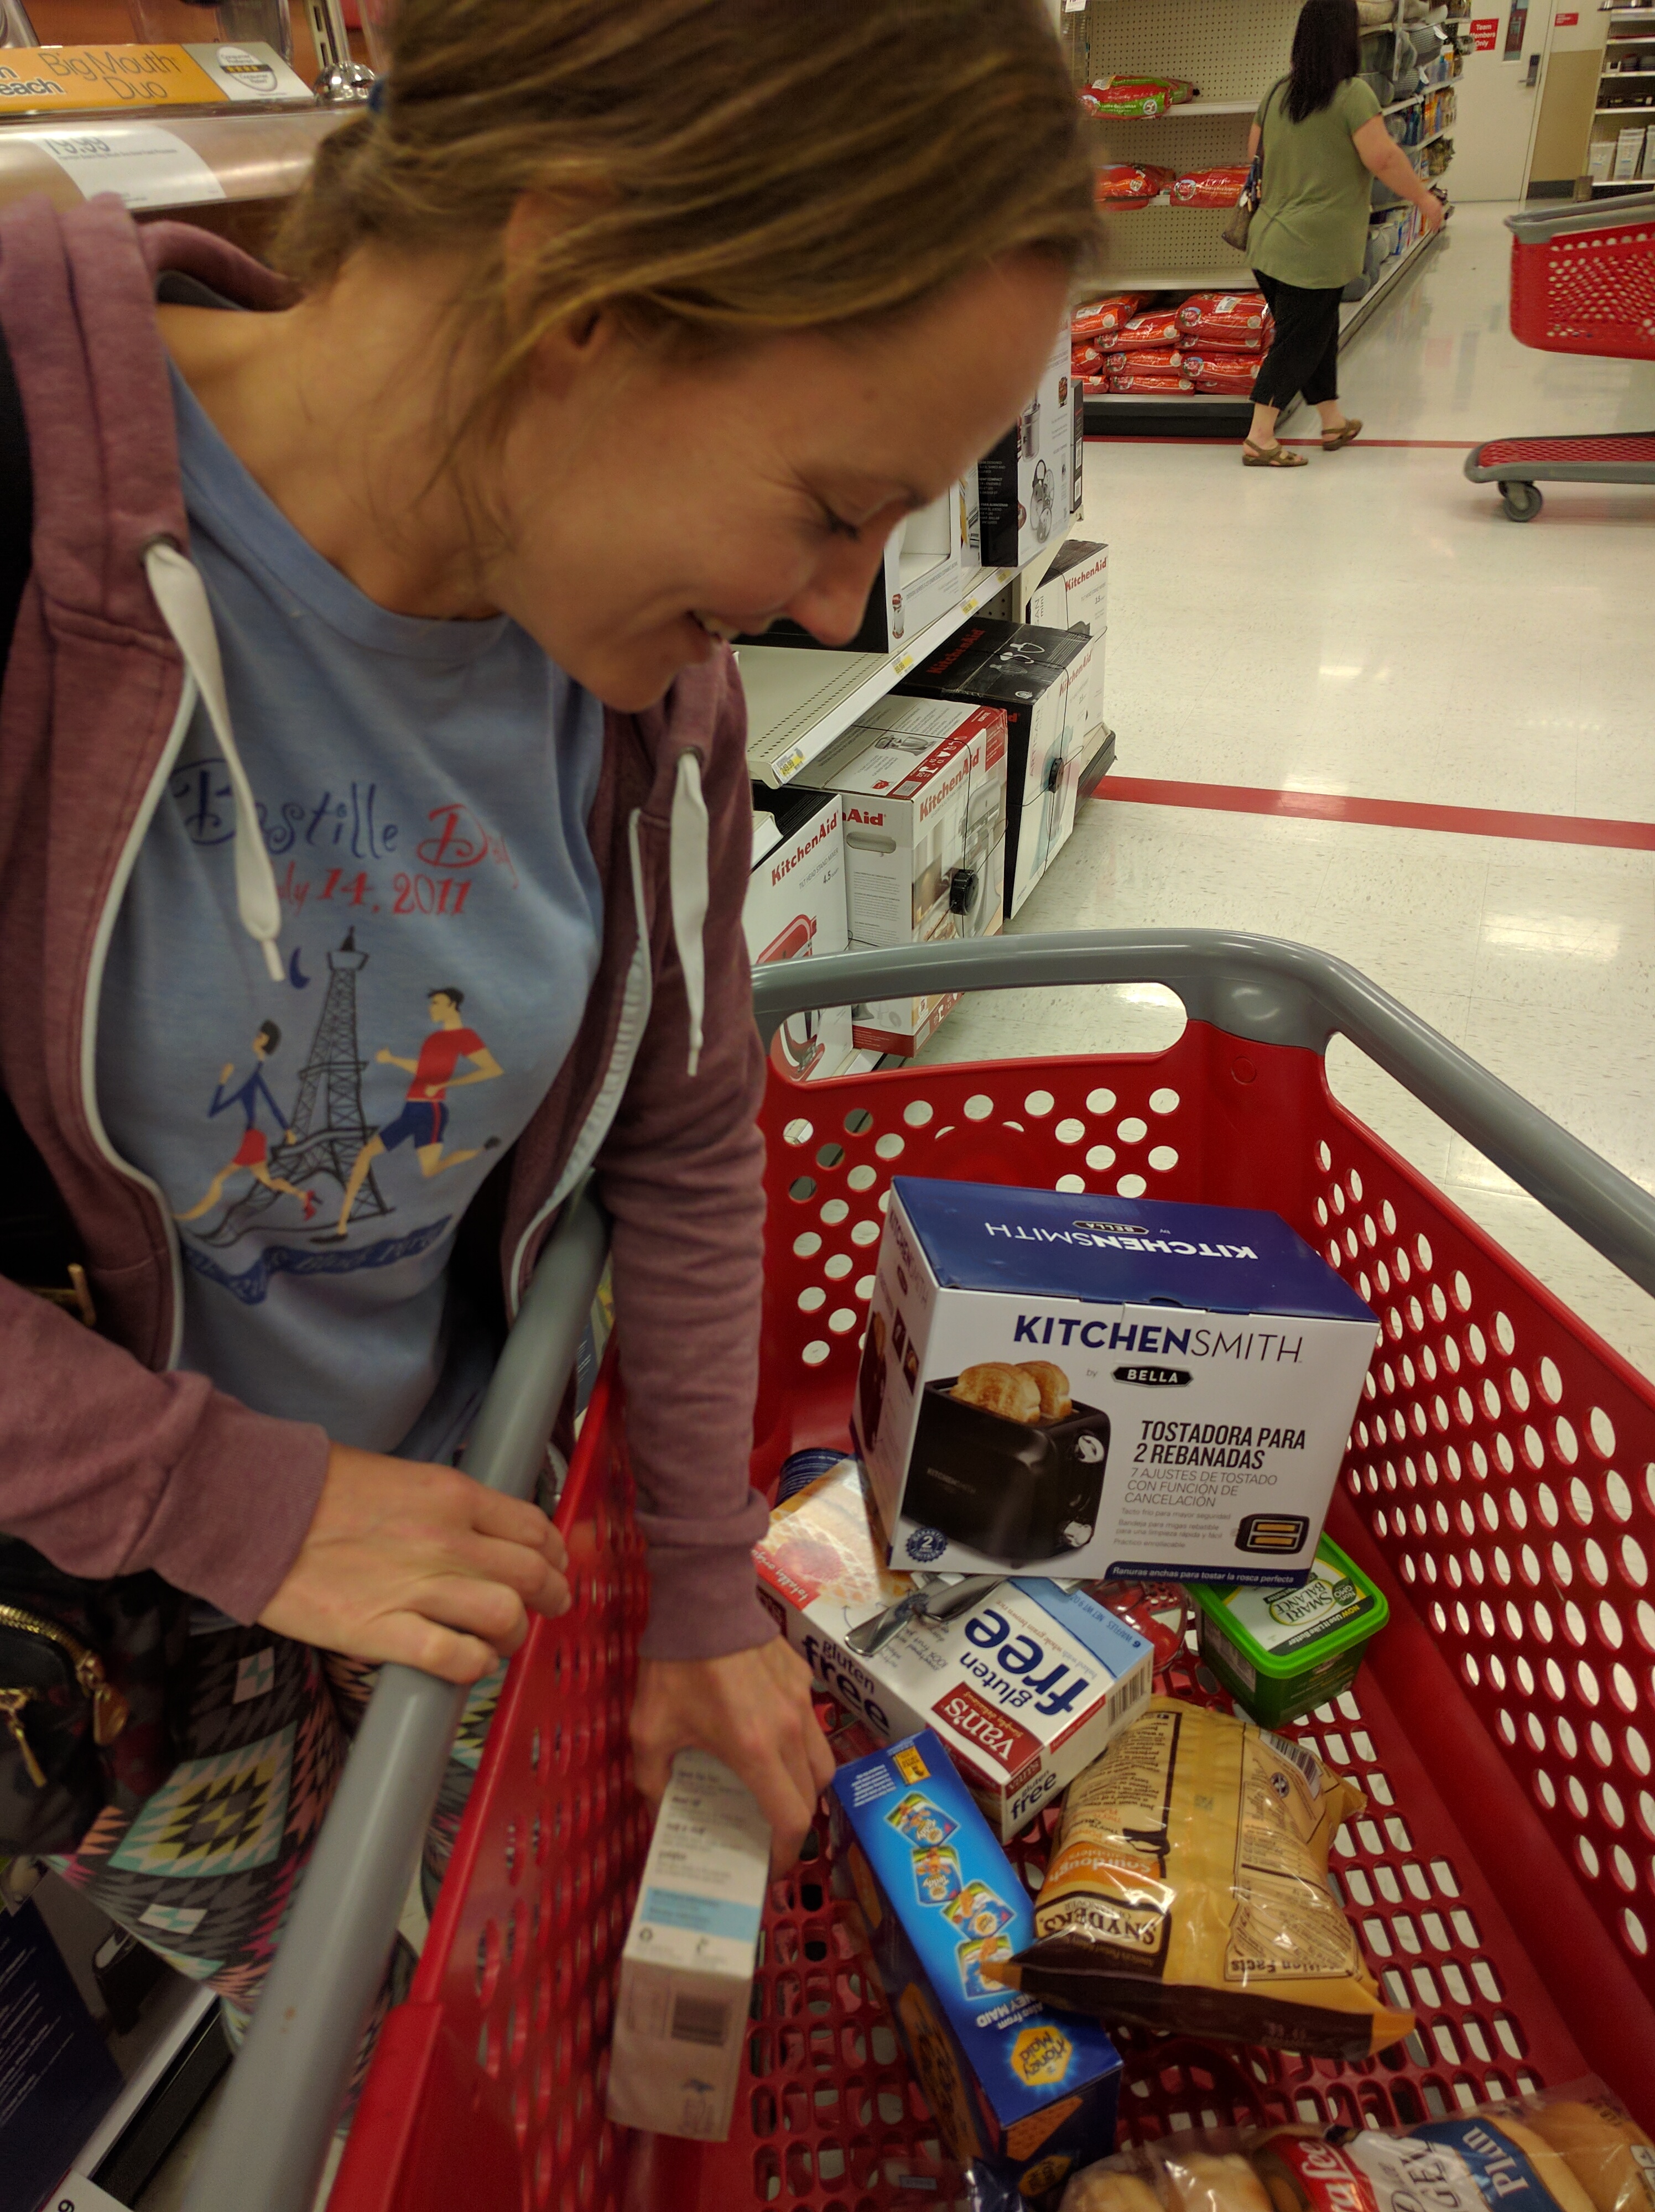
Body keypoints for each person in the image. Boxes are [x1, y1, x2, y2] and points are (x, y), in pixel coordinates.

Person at [0, 0, 1097, 2053]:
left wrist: (698, 1583)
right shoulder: (43, 515)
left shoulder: (640, 698)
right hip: (96, 1574)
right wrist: (219, 1499)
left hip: (433, 1553)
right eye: (835, 499)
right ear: (580, 282)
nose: (849, 606)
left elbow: (686, 1133)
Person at [1240, 0, 1446, 467]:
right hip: (1316, 248)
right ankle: (1259, 437)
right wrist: (1425, 200)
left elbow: (1255, 152)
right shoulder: (1352, 95)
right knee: (1299, 341)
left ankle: (1332, 419)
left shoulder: (1278, 92)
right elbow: (1385, 159)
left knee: (1317, 332)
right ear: (1346, 39)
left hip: (1269, 243)